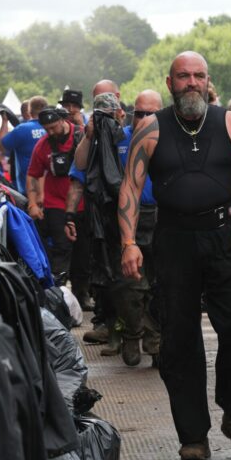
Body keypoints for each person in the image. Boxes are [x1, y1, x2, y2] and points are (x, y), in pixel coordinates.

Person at [117, 51, 231, 460]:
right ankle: (193, 435)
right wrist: (128, 242)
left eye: (198, 76)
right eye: (183, 76)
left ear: (208, 81)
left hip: (226, 238)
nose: (191, 83)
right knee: (179, 342)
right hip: (174, 241)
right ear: (170, 83)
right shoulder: (151, 129)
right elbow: (131, 189)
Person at [68, 89, 164, 367]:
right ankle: (132, 333)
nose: (144, 118)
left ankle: (155, 338)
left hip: (162, 217)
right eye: (140, 113)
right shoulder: (117, 136)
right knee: (126, 285)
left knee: (160, 285)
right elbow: (81, 166)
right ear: (129, 112)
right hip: (122, 221)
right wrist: (89, 135)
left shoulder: (170, 138)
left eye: (151, 114)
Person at [26, 108, 79, 279]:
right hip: (56, 204)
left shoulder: (81, 136)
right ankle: (58, 292)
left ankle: (83, 293)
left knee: (84, 251)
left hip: (84, 203)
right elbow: (33, 174)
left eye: (53, 127)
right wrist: (33, 204)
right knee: (61, 248)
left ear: (63, 120)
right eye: (46, 128)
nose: (50, 132)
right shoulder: (43, 145)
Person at [0, 96, 48, 195]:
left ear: (29, 111)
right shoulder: (55, 127)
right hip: (52, 189)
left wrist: (5, 121)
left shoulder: (22, 129)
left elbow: (2, 147)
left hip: (28, 188)